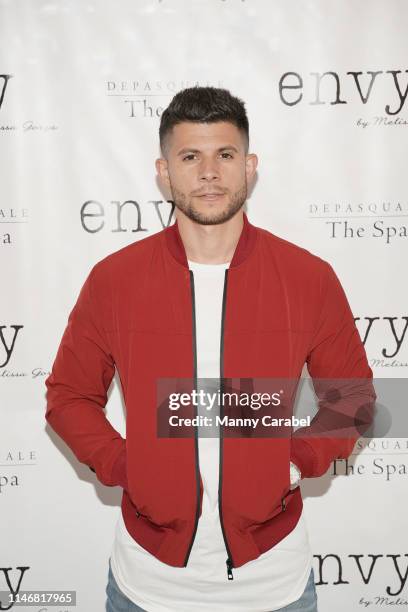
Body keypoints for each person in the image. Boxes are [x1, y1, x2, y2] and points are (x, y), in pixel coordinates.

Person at [45, 86, 375, 612]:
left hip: (275, 585)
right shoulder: (115, 281)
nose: (208, 172)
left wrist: (293, 462)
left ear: (249, 166)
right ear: (164, 171)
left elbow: (353, 397)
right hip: (145, 586)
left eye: (224, 155)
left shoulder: (307, 278)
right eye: (190, 156)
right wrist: (128, 466)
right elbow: (68, 396)